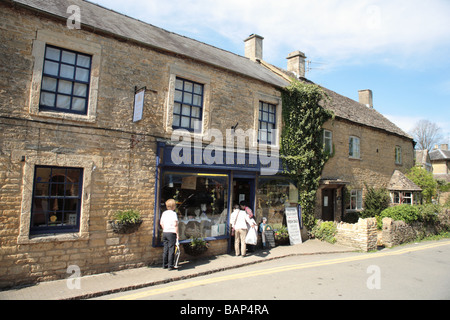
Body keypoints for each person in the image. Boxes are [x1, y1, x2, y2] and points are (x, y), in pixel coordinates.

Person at [160, 199, 179, 270]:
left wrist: (165, 229)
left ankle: (164, 264)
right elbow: (175, 225)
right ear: (173, 206)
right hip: (172, 233)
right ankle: (170, 265)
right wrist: (177, 234)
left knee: (165, 249)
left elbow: (161, 223)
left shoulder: (164, 213)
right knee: (171, 249)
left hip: (165, 232)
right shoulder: (174, 214)